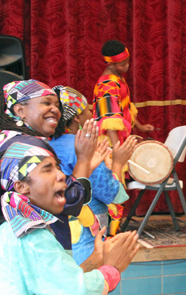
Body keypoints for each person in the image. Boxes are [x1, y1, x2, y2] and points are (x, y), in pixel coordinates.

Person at [0, 141, 139, 295]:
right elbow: (77, 292)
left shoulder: (10, 228)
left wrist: (96, 258)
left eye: (58, 168)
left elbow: (58, 285)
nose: (61, 175)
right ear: (22, 186)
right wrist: (111, 268)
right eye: (48, 169)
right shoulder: (32, 236)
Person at [0, 79, 96, 265]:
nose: (55, 110)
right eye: (46, 103)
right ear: (20, 110)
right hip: (37, 253)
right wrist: (84, 159)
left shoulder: (4, 139)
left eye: (56, 105)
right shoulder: (29, 148)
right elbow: (68, 198)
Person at [50, 85, 137, 264]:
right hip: (84, 238)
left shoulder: (44, 144)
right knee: (89, 285)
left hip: (55, 233)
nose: (91, 113)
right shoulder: (82, 147)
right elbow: (113, 194)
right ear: (77, 117)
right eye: (88, 109)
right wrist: (117, 163)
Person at [92, 39, 154, 147]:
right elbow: (110, 121)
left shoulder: (117, 77)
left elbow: (125, 107)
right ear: (110, 64)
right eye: (123, 64)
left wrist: (140, 126)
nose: (127, 66)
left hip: (118, 139)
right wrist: (118, 150)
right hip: (110, 143)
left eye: (128, 61)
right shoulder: (107, 86)